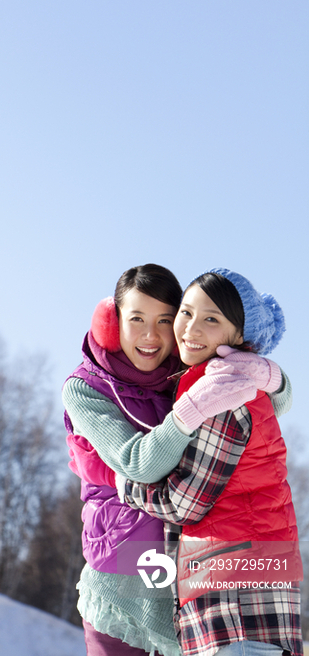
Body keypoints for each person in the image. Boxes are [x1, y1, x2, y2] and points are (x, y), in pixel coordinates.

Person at [63, 264, 290, 656]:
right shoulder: (86, 387)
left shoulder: (187, 371)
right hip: (122, 566)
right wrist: (189, 411)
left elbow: (269, 403)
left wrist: (270, 375)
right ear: (112, 322)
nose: (150, 336)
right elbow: (136, 463)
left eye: (165, 320)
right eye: (136, 319)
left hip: (190, 572)